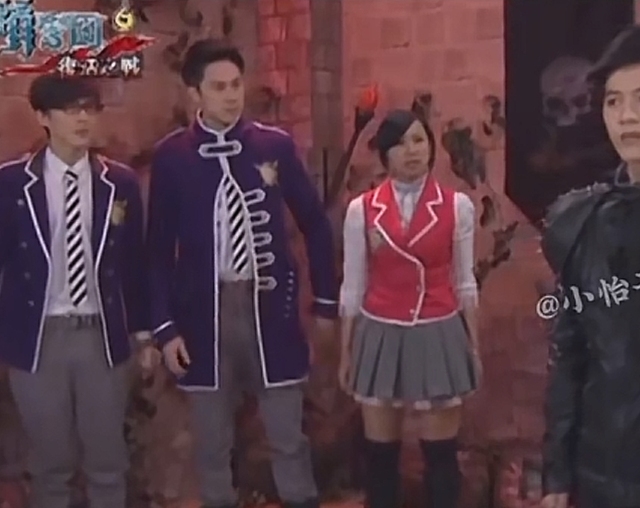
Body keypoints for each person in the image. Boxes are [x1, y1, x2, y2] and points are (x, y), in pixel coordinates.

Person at [146, 39, 338, 508]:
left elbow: (315, 223)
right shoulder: (172, 156)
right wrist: (165, 329)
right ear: (195, 93)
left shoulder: (274, 146)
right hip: (203, 314)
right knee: (211, 443)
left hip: (270, 310)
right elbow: (157, 251)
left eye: (236, 85)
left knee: (288, 437)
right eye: (218, 87)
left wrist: (325, 302)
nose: (231, 96)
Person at [0, 75, 154, 508]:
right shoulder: (10, 184)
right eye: (71, 110)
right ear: (43, 117)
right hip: (37, 337)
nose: (83, 119)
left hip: (100, 334)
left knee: (108, 460)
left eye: (89, 109)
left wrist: (144, 335)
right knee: (50, 464)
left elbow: (134, 265)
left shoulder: (119, 182)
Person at [338, 109, 481, 508]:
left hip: (438, 328)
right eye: (400, 144)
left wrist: (473, 346)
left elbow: (465, 281)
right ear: (385, 154)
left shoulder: (457, 206)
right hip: (381, 330)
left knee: (440, 455)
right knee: (381, 456)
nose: (412, 150)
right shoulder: (362, 210)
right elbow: (353, 286)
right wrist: (347, 352)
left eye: (419, 140)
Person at [541, 25, 640, 508]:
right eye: (614, 101)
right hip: (605, 470)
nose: (627, 116)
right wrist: (557, 476)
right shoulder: (581, 224)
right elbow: (570, 356)